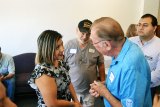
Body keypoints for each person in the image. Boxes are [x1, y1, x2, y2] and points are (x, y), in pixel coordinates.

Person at [89, 17, 152, 107]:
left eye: (94, 43)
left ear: (106, 45)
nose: (93, 46)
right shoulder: (122, 49)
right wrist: (102, 86)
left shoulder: (130, 66)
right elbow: (120, 83)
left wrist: (104, 92)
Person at [28, 30, 82, 107]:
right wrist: (74, 104)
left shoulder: (60, 62)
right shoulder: (43, 72)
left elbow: (68, 82)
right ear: (47, 49)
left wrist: (76, 101)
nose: (62, 49)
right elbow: (52, 104)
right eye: (57, 47)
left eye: (62, 44)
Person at [64, 19, 105, 107]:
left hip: (90, 90)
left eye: (88, 34)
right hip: (72, 89)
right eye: (82, 33)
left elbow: (101, 65)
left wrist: (103, 83)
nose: (85, 36)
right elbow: (62, 66)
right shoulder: (68, 45)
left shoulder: (96, 45)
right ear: (76, 30)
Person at [129, 13, 160, 100]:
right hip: (128, 84)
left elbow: (158, 73)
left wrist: (139, 82)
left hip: (149, 89)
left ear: (154, 28)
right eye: (139, 24)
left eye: (145, 25)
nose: (141, 27)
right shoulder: (129, 42)